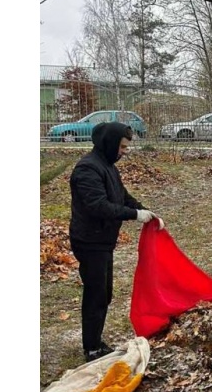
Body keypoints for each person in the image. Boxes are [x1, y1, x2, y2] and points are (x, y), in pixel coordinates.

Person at [69, 122, 165, 362]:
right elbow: (98, 206)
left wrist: (146, 211)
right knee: (96, 294)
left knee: (104, 293)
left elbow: (122, 196)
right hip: (89, 241)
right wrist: (134, 215)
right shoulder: (87, 169)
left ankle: (94, 341)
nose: (124, 151)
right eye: (122, 147)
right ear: (109, 143)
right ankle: (92, 347)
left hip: (102, 240)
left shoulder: (107, 166)